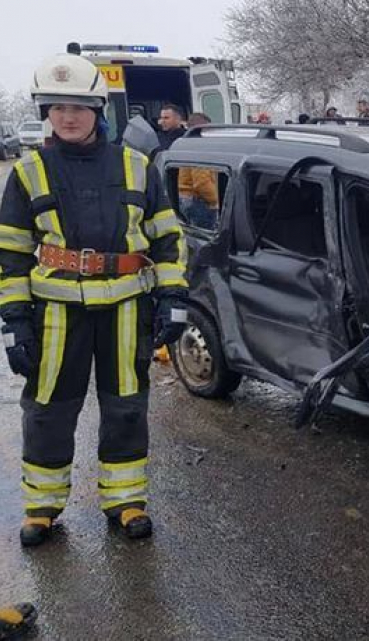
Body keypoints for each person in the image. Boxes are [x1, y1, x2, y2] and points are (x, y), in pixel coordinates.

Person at [0, 54, 188, 547]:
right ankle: (42, 507)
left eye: (79, 106)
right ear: (46, 111)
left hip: (127, 310)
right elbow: (11, 255)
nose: (67, 116)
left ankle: (125, 501)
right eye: (57, 106)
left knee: (126, 407)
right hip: (56, 314)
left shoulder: (136, 165)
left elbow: (167, 237)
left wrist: (173, 298)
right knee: (48, 409)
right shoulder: (28, 172)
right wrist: (14, 323)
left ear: (98, 109)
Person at [178, 113, 219, 230]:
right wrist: (215, 202)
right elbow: (201, 183)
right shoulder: (200, 147)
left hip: (187, 199)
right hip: (198, 201)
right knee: (204, 240)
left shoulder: (187, 144)